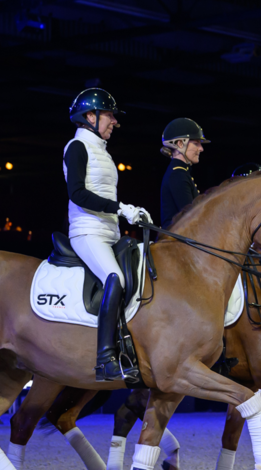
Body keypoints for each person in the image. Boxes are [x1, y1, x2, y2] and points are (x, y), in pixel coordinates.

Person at [63, 88, 153, 381]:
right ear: (91, 116)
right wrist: (121, 208)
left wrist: (133, 214)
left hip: (109, 231)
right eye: (110, 115)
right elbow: (78, 194)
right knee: (115, 278)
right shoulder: (77, 147)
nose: (115, 121)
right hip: (87, 232)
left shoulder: (102, 151)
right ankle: (105, 359)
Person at [159, 118, 209, 229]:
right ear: (180, 144)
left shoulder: (181, 172)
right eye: (196, 144)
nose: (201, 149)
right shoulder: (177, 175)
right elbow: (191, 217)